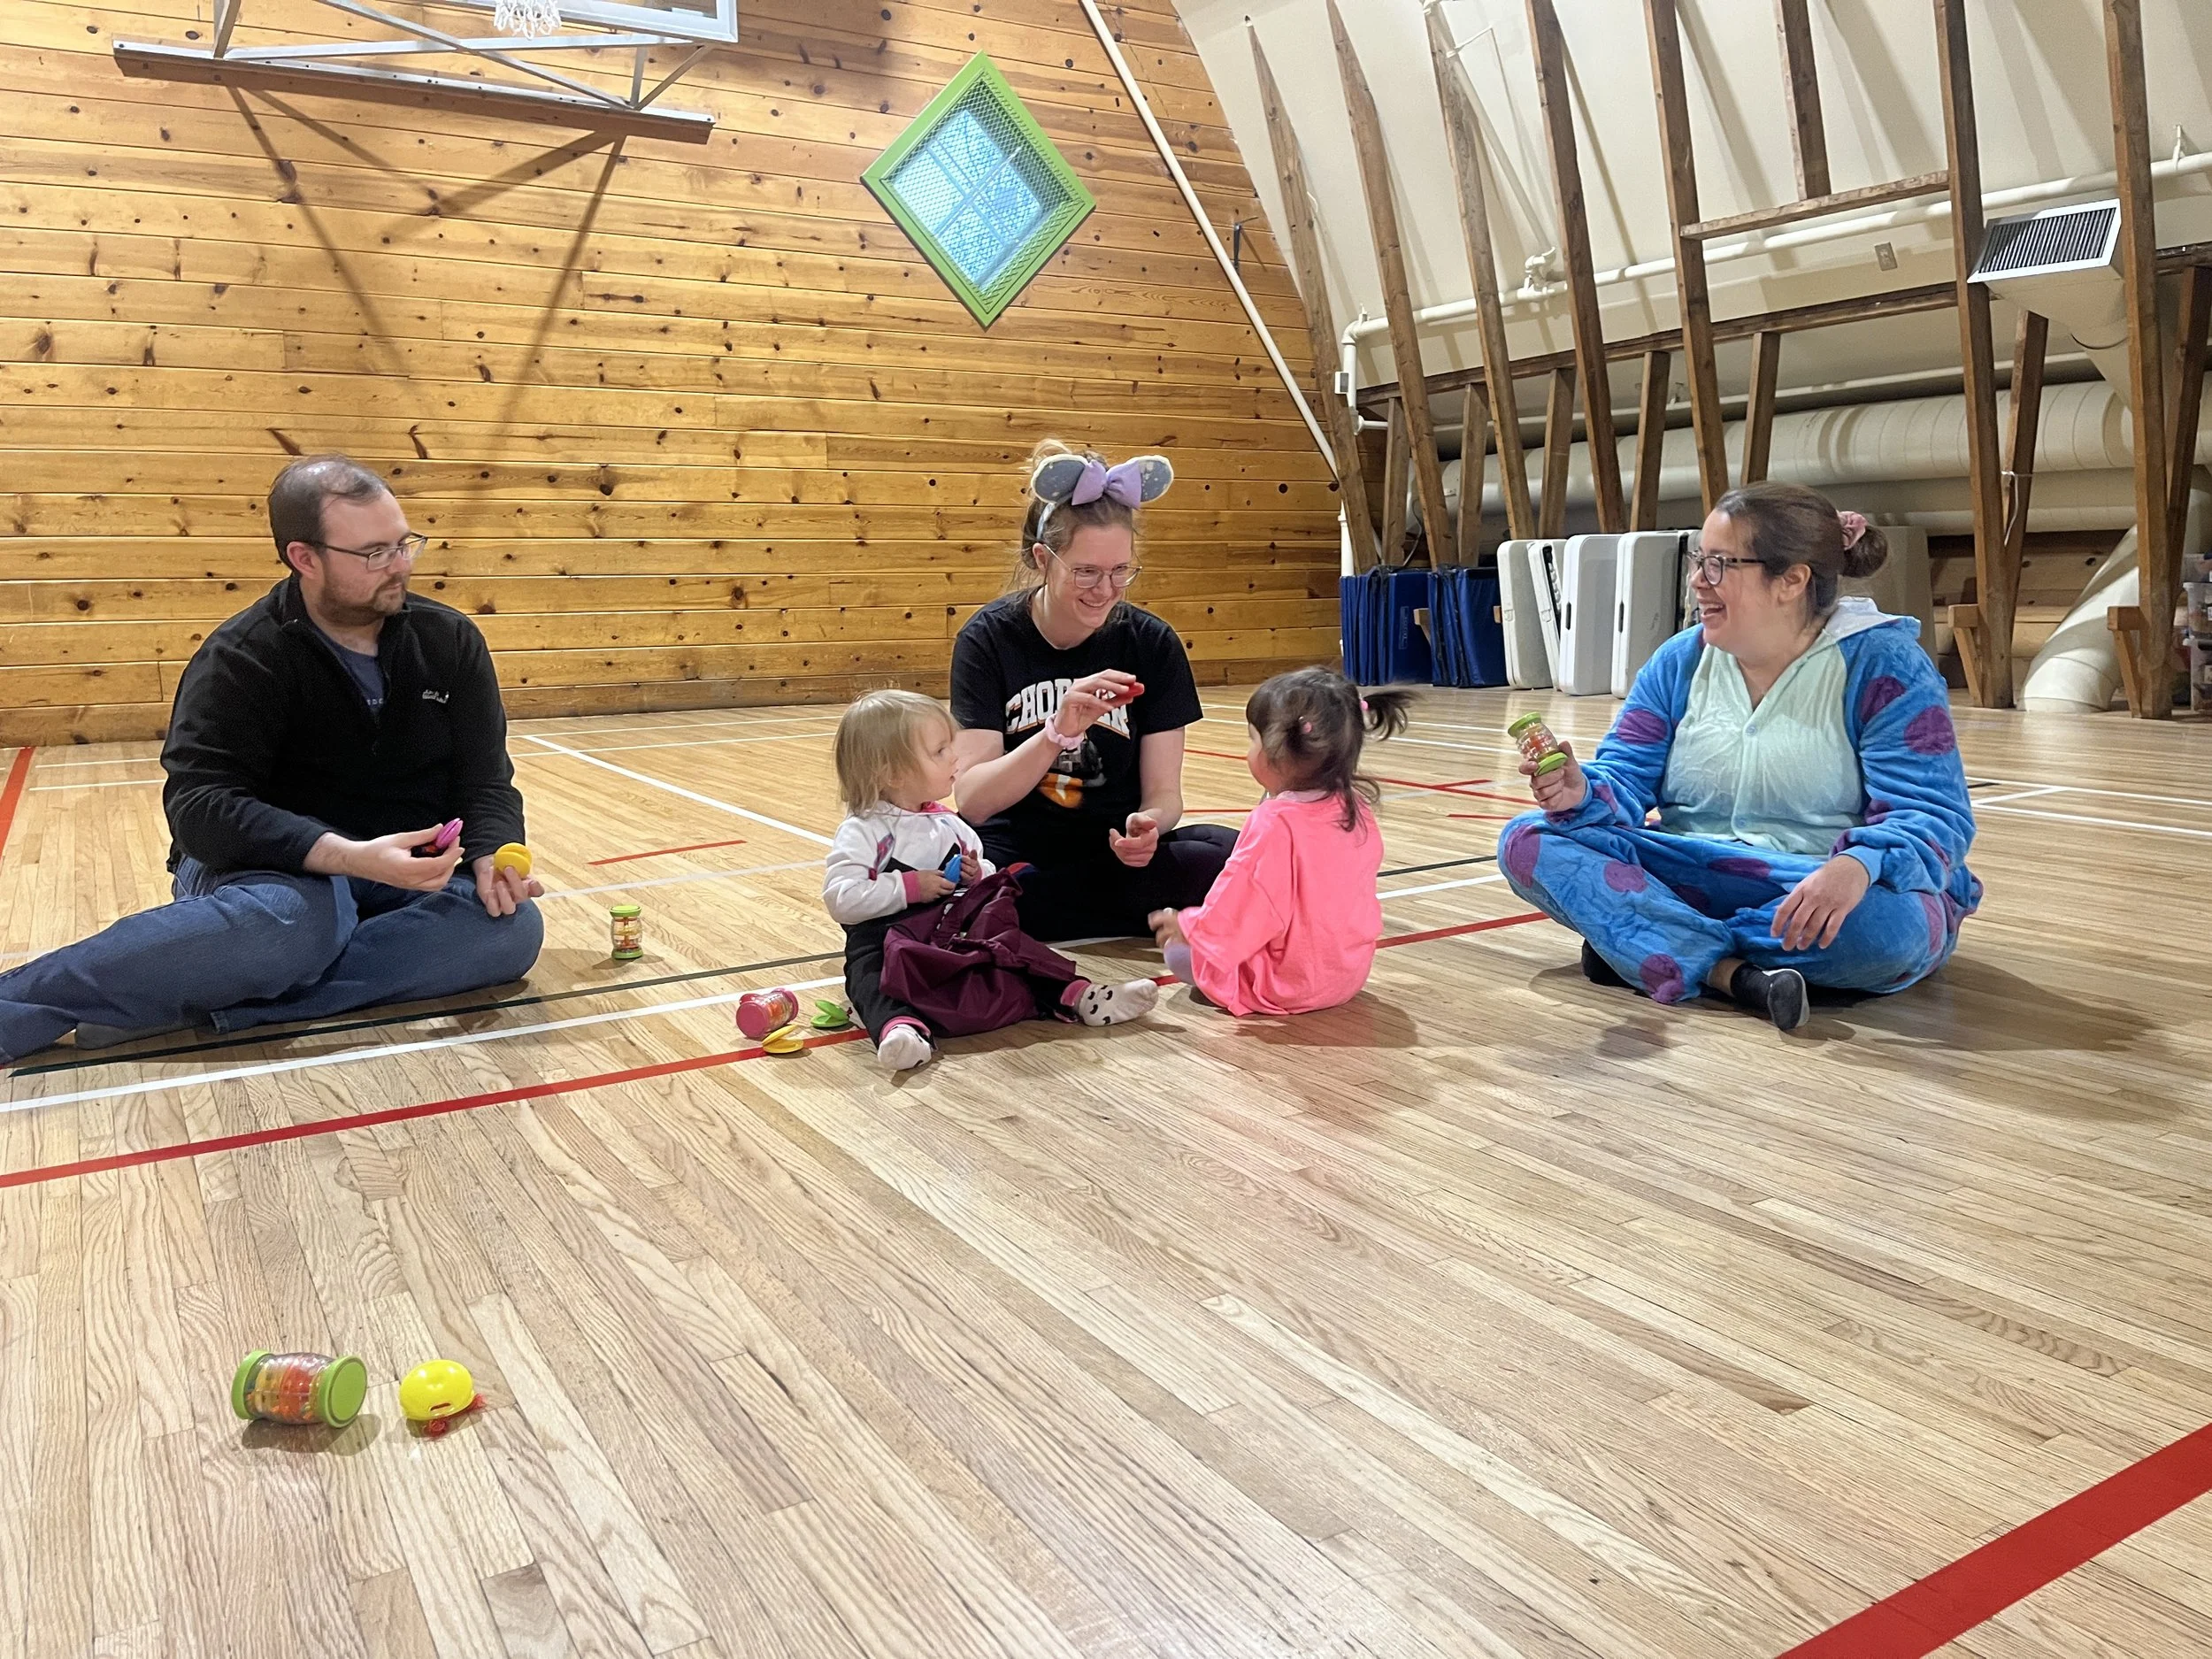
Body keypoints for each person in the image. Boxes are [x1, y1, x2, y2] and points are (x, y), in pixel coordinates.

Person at [0, 454, 545, 1064]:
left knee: (509, 930)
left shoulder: (451, 640)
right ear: (304, 557)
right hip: (273, 872)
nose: (401, 566)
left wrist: (494, 851)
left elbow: (487, 781)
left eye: (405, 543)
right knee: (292, 927)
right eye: (374, 553)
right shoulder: (240, 657)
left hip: (405, 875)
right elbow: (201, 810)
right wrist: (345, 856)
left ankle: (224, 1004)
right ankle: (15, 1005)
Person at [1498, 481, 1980, 1033]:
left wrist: (1856, 866)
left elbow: (1934, 818)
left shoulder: (1885, 664)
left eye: (1721, 564)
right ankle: (1733, 974)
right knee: (1527, 841)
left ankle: (1646, 941)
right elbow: (1625, 777)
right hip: (1693, 868)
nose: (1698, 580)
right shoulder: (1678, 661)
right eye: (1700, 560)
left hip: (1811, 883)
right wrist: (1581, 791)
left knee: (1892, 935)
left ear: (1792, 580)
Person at [949, 440, 1238, 941]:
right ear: (1043, 559)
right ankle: (1042, 906)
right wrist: (1055, 733)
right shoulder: (987, 639)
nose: (1104, 590)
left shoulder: (1152, 643)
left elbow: (1165, 796)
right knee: (949, 861)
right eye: (1085, 571)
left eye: (1120, 571)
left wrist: (1147, 828)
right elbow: (973, 801)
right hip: (1016, 846)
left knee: (1229, 852)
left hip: (1108, 852)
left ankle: (1025, 913)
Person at [823, 689, 1159, 1071]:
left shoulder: (950, 825)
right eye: (939, 751)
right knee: (867, 973)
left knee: (1015, 948)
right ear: (891, 772)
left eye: (950, 746)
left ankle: (1078, 996)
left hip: (951, 930)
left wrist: (977, 873)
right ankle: (899, 1027)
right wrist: (909, 887)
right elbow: (841, 899)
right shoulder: (864, 829)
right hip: (887, 936)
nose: (955, 756)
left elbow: (984, 871)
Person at [1149, 669, 1412, 1016]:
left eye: (1252, 740)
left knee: (1179, 953)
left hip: (1285, 983)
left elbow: (1244, 901)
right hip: (1347, 975)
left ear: (1275, 751)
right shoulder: (1356, 807)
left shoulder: (1274, 822)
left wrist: (1189, 926)